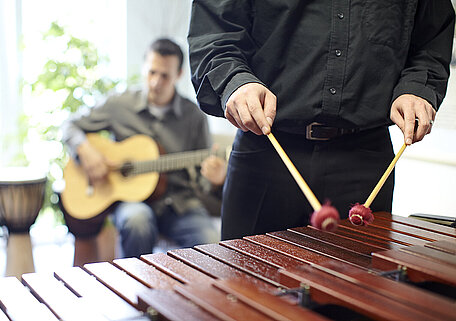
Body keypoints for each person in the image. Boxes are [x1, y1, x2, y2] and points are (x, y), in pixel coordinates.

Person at [188, 1, 455, 240]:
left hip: (365, 158)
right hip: (266, 150)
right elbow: (214, 33)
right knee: (243, 288)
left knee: (361, 289)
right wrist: (236, 82)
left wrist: (416, 87)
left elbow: (432, 42)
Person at [61, 38, 224, 260]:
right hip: (133, 203)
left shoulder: (194, 116)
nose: (156, 82)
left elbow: (205, 179)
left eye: (164, 75)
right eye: (151, 72)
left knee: (211, 243)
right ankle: (136, 292)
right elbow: (70, 125)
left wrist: (216, 180)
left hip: (180, 204)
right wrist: (86, 151)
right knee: (136, 222)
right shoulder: (120, 104)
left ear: (179, 75)